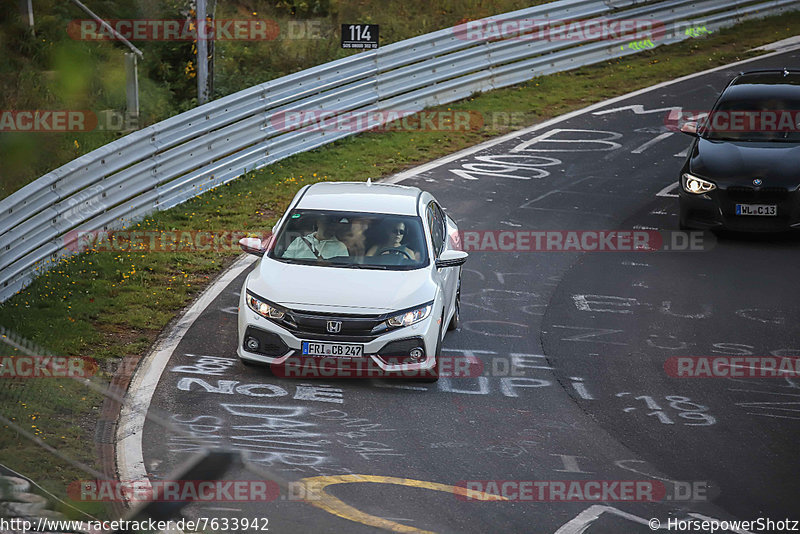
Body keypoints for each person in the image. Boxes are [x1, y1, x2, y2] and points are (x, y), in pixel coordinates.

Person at [282, 214, 349, 259]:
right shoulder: (299, 241)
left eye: (333, 224)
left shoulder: (340, 247)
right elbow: (285, 260)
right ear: (318, 222)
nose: (329, 227)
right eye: (327, 222)